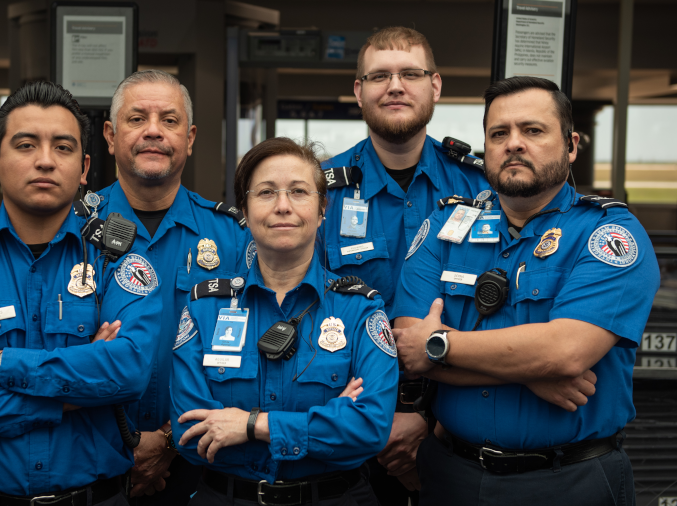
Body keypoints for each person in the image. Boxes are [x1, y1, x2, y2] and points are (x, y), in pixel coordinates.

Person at [392, 76, 660, 506]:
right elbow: (409, 345)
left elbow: (565, 352)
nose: (513, 143)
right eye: (499, 133)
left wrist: (439, 345)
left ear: (571, 145)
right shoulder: (445, 229)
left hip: (570, 481)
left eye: (532, 130)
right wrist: (531, 370)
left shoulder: (610, 235)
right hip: (451, 476)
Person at [0, 81, 163, 506]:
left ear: (84, 168)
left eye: (63, 147)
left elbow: (128, 370)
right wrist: (64, 402)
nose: (44, 160)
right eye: (25, 145)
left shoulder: (119, 261)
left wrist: (3, 364)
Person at [171, 137, 397, 505]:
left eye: (298, 191)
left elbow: (370, 428)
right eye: (265, 192)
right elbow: (191, 435)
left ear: (323, 208)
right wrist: (327, 424)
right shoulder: (203, 309)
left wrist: (251, 427)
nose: (282, 206)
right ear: (243, 209)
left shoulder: (360, 310)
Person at [319, 26, 492, 504]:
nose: (395, 86)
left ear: (434, 85)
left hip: (457, 423)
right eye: (379, 76)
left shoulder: (485, 189)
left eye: (410, 74)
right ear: (359, 91)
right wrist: (377, 418)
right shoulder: (320, 193)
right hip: (344, 423)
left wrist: (427, 420)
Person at [98, 69, 252, 504]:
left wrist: (167, 441)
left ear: (190, 137)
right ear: (110, 135)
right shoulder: (75, 230)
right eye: (136, 119)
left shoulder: (233, 237)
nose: (153, 132)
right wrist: (128, 441)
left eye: (169, 120)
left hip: (201, 460)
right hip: (90, 458)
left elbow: (251, 349)